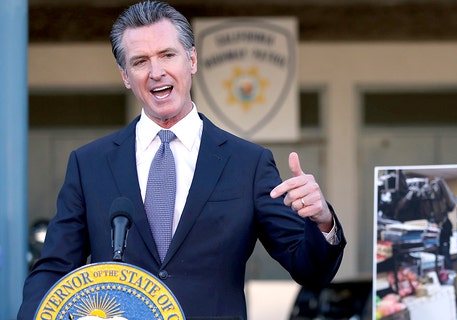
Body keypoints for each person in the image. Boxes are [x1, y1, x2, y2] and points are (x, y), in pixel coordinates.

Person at [17, 1, 346, 319]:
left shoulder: (248, 164)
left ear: (192, 60)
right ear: (125, 76)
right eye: (140, 61)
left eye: (167, 55)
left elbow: (310, 270)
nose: (156, 72)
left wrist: (322, 221)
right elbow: (55, 270)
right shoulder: (89, 165)